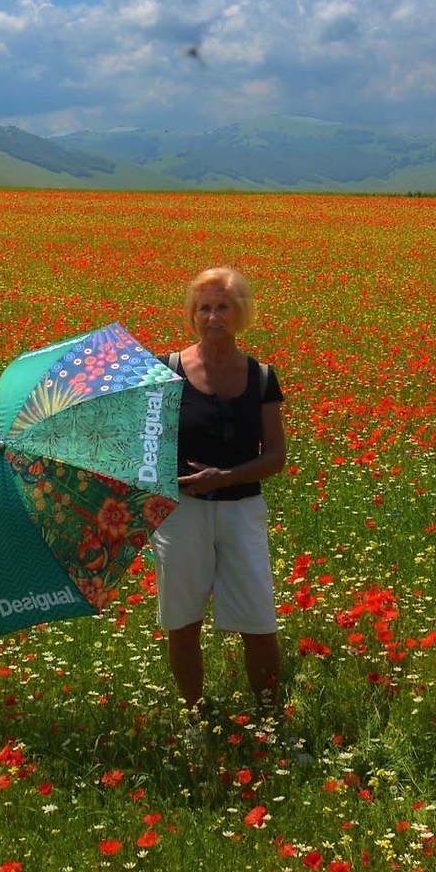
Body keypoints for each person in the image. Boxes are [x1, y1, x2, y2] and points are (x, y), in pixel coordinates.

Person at [150, 266, 288, 745]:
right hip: (180, 514)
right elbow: (148, 446)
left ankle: (272, 725)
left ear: (241, 313)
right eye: (204, 307)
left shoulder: (261, 377)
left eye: (223, 306)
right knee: (183, 621)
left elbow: (275, 456)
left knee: (259, 622)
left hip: (241, 510)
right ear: (192, 314)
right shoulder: (165, 371)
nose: (213, 316)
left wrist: (225, 477)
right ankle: (194, 722)